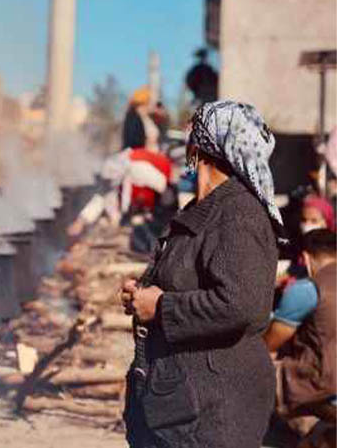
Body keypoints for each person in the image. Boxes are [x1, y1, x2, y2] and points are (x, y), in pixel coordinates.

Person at [120, 101, 284, 447]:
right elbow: (190, 280)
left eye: (193, 130)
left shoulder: (238, 214)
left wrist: (162, 307)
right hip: (180, 406)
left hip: (212, 411)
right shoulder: (204, 209)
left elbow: (243, 304)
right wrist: (143, 294)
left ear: (203, 147)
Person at [265, 229, 336, 446]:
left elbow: (270, 342)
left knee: (259, 366)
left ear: (305, 258)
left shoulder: (307, 289)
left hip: (323, 386)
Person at [122, 87, 160, 152]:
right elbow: (132, 140)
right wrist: (147, 140)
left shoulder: (146, 117)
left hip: (150, 153)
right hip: (140, 155)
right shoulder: (133, 117)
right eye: (149, 101)